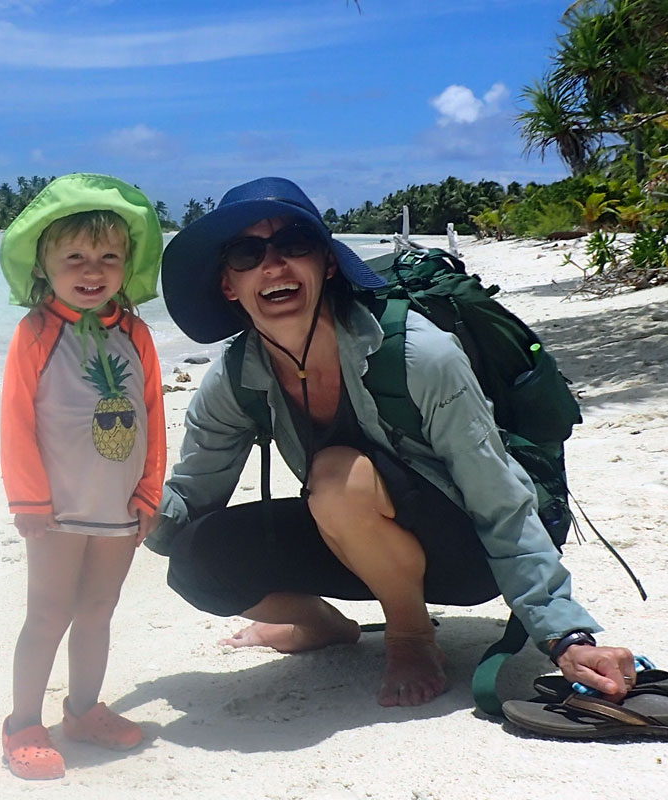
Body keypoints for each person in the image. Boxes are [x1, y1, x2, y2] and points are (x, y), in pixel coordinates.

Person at [145, 177, 636, 708]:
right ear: (228, 285)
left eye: (295, 245)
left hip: (464, 555)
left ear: (327, 264)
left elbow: (499, 498)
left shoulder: (419, 354)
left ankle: (410, 634)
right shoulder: (236, 377)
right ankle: (321, 625)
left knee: (334, 475)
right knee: (197, 560)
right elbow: (191, 500)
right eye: (247, 252)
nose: (273, 265)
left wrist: (564, 634)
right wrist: (124, 504)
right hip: (357, 543)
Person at [0, 173, 165, 779]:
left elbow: (152, 416)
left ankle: (85, 710)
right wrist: (29, 500)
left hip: (119, 505)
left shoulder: (136, 334)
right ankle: (22, 723)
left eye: (108, 257)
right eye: (75, 257)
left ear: (127, 266)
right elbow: (16, 419)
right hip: (57, 507)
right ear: (45, 265)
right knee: (47, 613)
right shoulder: (37, 333)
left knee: (98, 609)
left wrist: (150, 488)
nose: (92, 269)